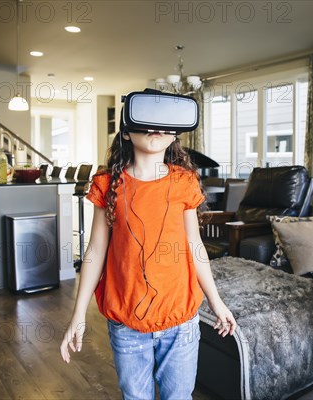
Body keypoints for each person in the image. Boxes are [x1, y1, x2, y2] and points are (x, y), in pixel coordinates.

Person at [60, 125, 237, 399]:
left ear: (175, 133)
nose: (155, 130)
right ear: (127, 133)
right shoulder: (108, 183)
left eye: (164, 125)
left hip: (180, 321)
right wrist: (78, 313)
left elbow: (195, 244)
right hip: (127, 322)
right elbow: (95, 250)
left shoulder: (184, 180)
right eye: (146, 124)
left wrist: (216, 301)